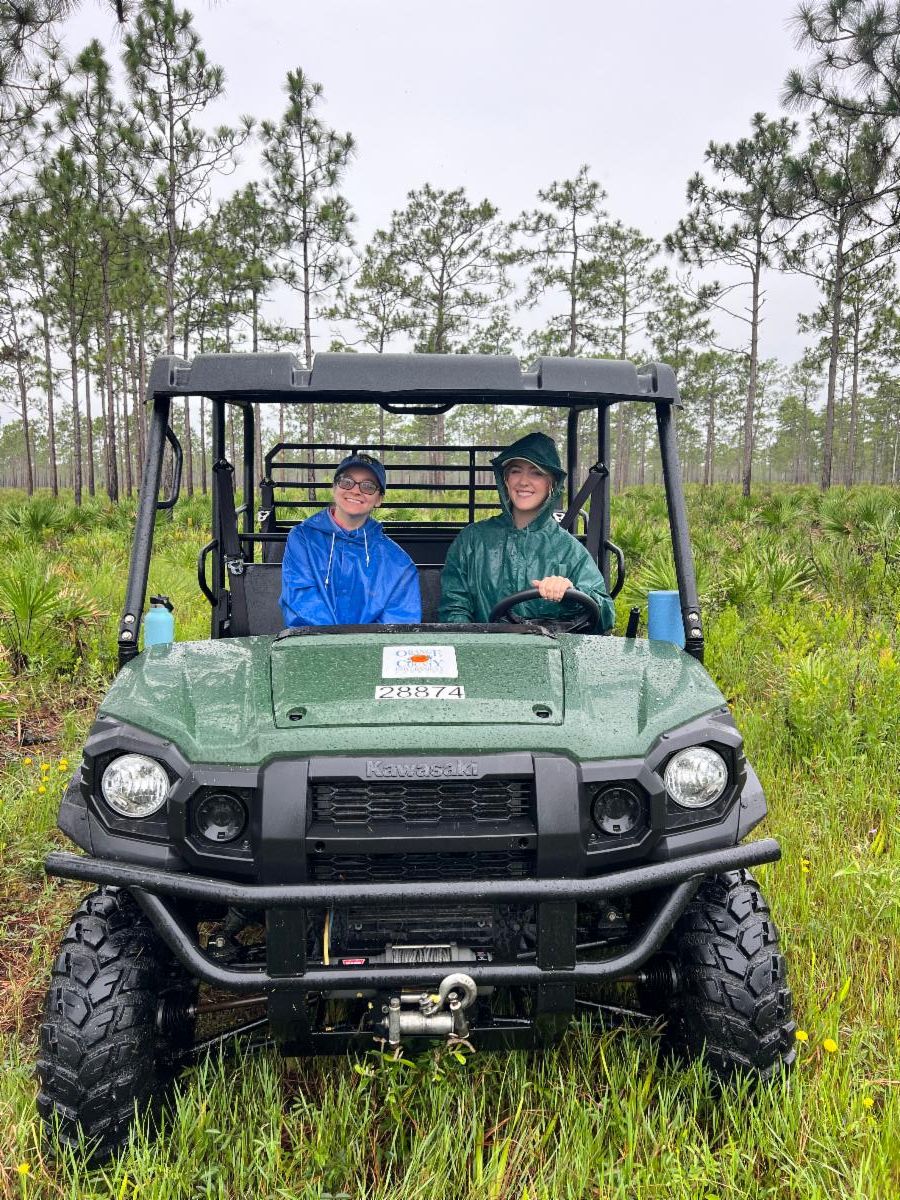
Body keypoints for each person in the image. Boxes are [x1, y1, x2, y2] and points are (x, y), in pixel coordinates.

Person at [438, 432, 615, 629]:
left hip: (552, 654)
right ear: (505, 479)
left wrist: (571, 592)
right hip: (485, 651)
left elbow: (605, 614)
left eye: (536, 472)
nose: (523, 481)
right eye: (515, 471)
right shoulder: (471, 540)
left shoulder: (569, 549)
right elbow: (453, 610)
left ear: (552, 484)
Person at [280, 453, 421, 627]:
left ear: (379, 499)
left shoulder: (400, 563)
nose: (355, 490)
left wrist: (355, 650)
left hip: (371, 652)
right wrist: (335, 647)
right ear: (334, 487)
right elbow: (301, 602)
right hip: (312, 647)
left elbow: (398, 626)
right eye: (346, 482)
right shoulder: (302, 539)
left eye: (368, 486)